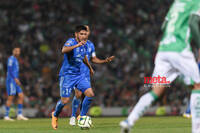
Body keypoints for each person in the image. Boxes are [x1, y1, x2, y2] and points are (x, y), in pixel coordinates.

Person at [120, 0, 200, 133]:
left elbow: (164, 26)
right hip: (179, 49)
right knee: (197, 85)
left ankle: (129, 120)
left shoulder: (176, 3)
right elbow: (192, 22)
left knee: (156, 91)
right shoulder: (196, 2)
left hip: (163, 50)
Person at [69, 25, 115, 126]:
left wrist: (104, 60)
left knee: (88, 95)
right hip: (76, 73)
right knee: (78, 94)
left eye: (87, 31)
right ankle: (73, 116)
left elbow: (93, 59)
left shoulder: (90, 45)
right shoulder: (75, 43)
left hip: (86, 73)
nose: (86, 33)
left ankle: (82, 116)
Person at [51, 25, 94, 130]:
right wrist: (77, 45)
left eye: (85, 34)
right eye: (81, 34)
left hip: (79, 75)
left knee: (90, 94)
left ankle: (82, 117)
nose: (84, 36)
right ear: (76, 34)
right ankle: (55, 114)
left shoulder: (84, 45)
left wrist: (90, 68)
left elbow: (84, 57)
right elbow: (63, 50)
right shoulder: (71, 42)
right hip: (67, 75)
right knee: (65, 101)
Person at [4, 46, 29, 121]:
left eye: (18, 51)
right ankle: (6, 116)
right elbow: (10, 70)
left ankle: (19, 115)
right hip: (11, 80)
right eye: (16, 51)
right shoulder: (11, 59)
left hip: (15, 80)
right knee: (11, 97)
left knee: (21, 96)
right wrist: (15, 78)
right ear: (13, 51)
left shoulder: (16, 60)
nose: (17, 52)